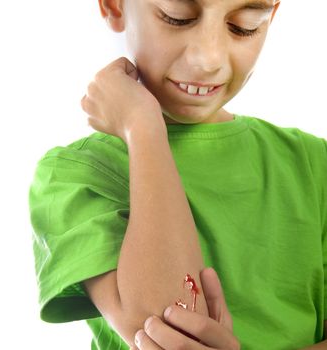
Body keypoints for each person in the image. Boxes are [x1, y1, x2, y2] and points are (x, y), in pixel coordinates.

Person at [28, 0, 327, 349]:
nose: (208, 58)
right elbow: (169, 330)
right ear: (114, 5)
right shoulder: (75, 174)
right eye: (177, 17)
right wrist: (143, 128)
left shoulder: (314, 163)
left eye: (245, 25)